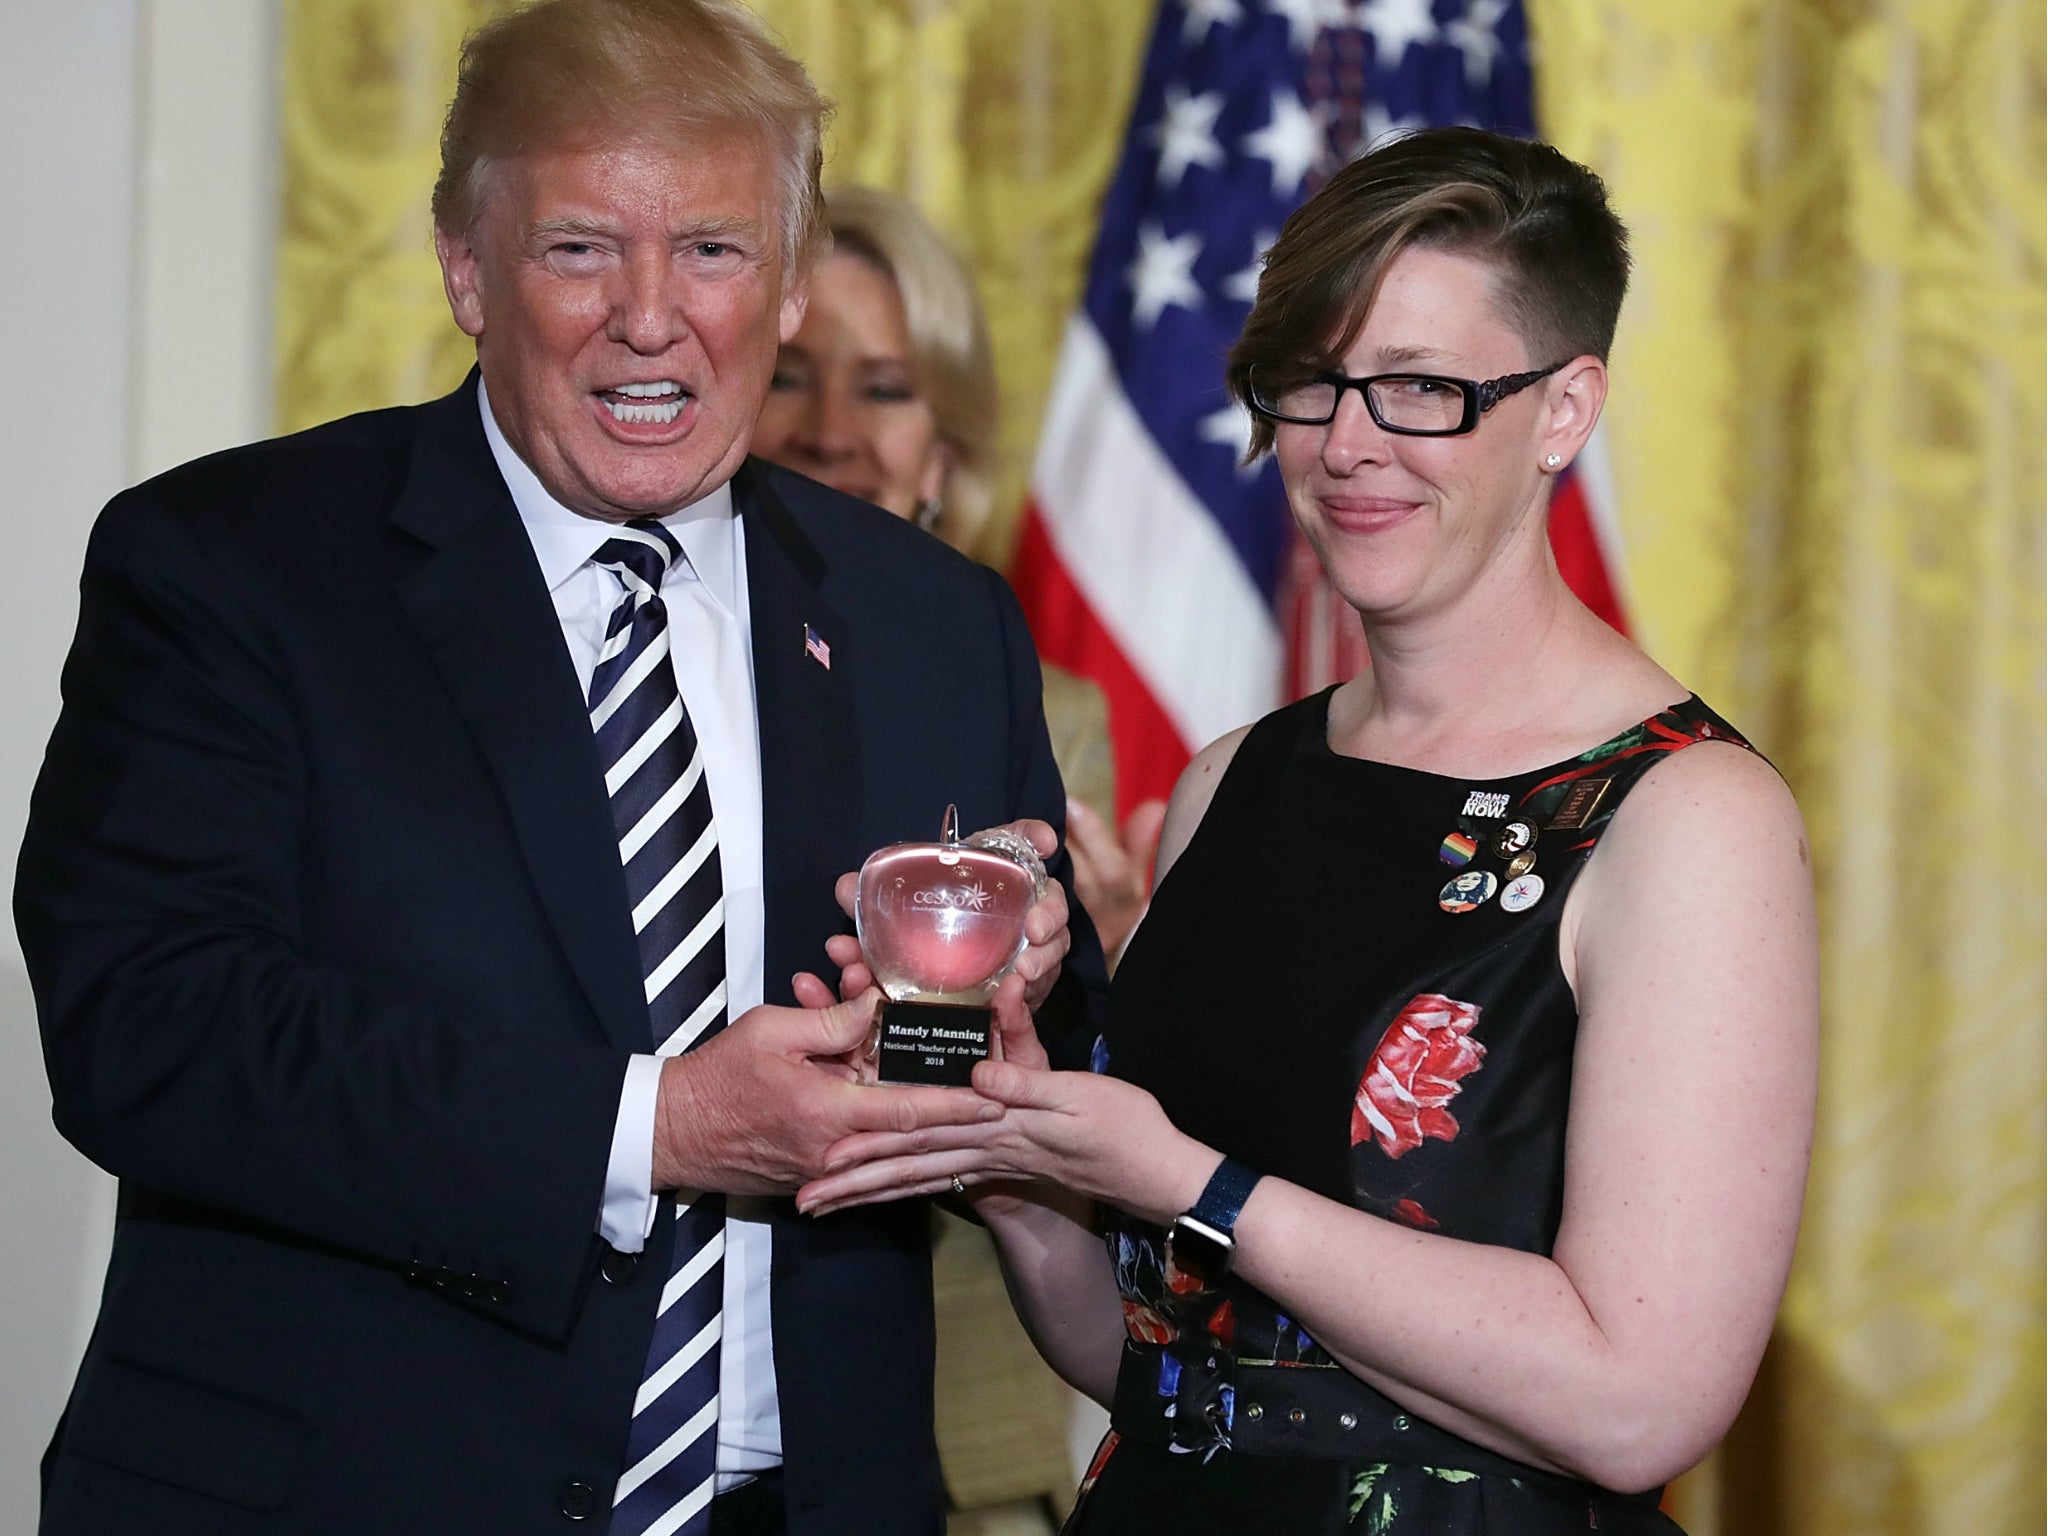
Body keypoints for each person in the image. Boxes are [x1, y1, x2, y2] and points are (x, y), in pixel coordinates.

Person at [15, 2, 1101, 1533]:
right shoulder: (232, 565)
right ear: (468, 268)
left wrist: (1032, 963)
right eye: (579, 248)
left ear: (790, 286)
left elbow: (1054, 1079)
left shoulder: (933, 623)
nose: (649, 318)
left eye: (715, 252)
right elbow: (150, 1026)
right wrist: (655, 1129)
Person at [796, 127, 1819, 1535]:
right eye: (1311, 384)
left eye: (1421, 391)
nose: (1345, 446)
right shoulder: (1233, 782)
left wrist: (1183, 1178)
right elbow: (1161, 1366)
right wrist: (1025, 1167)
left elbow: (1641, 1399)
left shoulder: (1690, 818)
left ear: (1566, 411)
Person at [749, 184, 1164, 963]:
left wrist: (1097, 972)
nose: (831, 433)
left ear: (943, 459)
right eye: (787, 377)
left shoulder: (1050, 719)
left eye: (883, 390)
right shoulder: (641, 655)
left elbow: (1054, 1048)